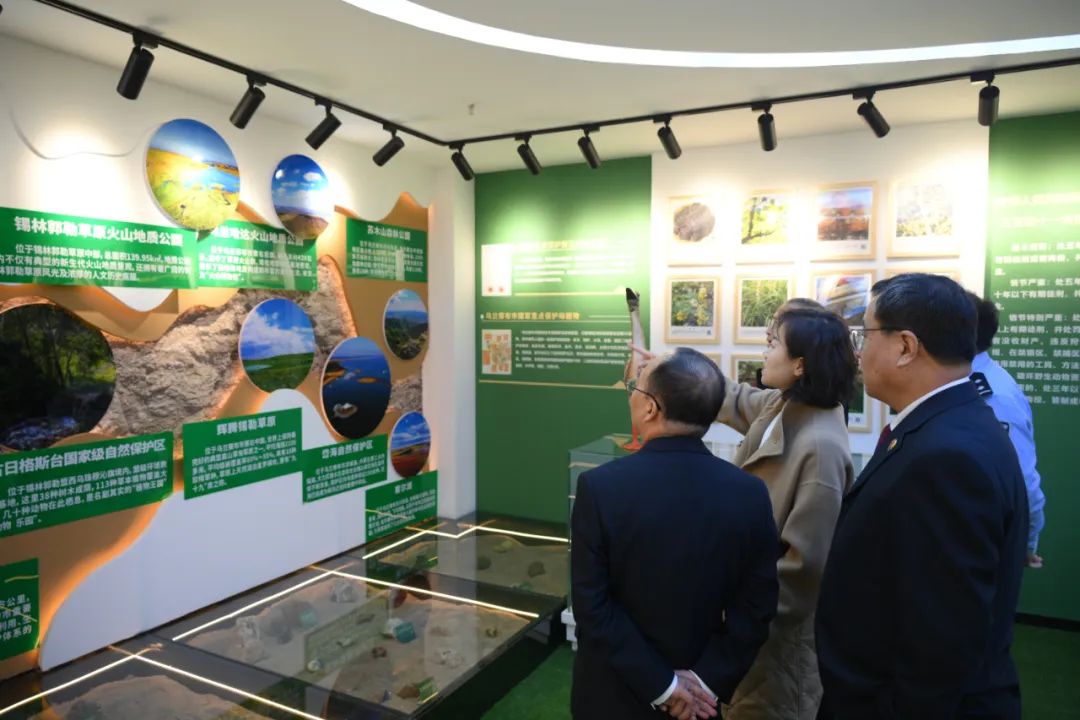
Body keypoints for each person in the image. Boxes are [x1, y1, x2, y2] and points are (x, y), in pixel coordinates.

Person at [816, 273, 1028, 719]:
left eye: (865, 334)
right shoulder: (947, 426)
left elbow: (941, 642)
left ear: (906, 346)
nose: (858, 351)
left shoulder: (948, 457)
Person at [571, 347, 780, 720]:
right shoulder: (749, 493)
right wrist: (702, 683)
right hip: (699, 704)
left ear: (651, 408)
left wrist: (664, 686)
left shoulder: (600, 488)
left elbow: (592, 605)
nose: (631, 396)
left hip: (613, 694)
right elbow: (756, 607)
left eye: (636, 387)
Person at [715, 308, 856, 720]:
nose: (765, 350)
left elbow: (802, 569)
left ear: (800, 365)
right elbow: (734, 399)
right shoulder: (784, 404)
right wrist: (667, 368)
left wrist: (733, 619)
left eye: (774, 343)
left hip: (776, 643)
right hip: (753, 627)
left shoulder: (821, 446)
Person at [968, 291, 1047, 567]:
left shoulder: (994, 396)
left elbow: (1022, 481)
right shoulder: (966, 383)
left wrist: (1025, 542)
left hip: (983, 550)